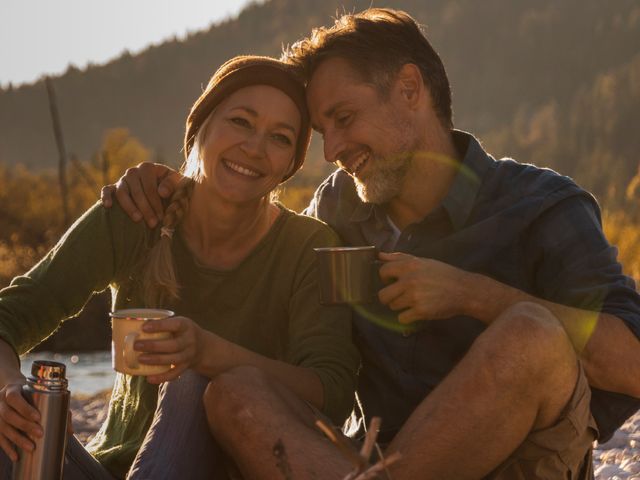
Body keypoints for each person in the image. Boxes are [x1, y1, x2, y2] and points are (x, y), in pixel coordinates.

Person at [103, 8, 640, 480]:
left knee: (530, 335)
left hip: (520, 467)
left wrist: (471, 294)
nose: (332, 148)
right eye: (322, 131)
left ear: (409, 89)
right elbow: (255, 273)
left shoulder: (541, 205)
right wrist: (169, 197)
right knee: (234, 392)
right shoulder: (336, 209)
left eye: (344, 119)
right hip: (360, 464)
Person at [0, 55, 359, 479]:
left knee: (189, 383)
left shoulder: (309, 248)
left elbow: (332, 391)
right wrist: (7, 389)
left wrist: (209, 354)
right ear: (199, 129)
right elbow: (12, 315)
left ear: (289, 166)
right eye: (241, 122)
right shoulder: (136, 214)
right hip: (107, 469)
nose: (255, 148)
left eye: (280, 138)